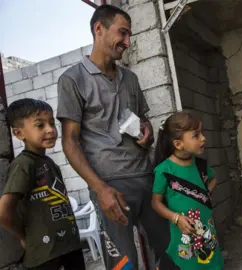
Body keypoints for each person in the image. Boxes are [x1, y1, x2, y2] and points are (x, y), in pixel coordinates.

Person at [56, 4, 167, 270]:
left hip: (146, 178)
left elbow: (143, 120)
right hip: (111, 186)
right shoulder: (72, 80)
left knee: (169, 252)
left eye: (130, 35)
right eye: (123, 33)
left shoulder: (130, 78)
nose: (128, 42)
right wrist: (100, 189)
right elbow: (70, 142)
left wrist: (147, 131)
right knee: (124, 264)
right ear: (99, 29)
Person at [0, 98, 84, 270]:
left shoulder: (49, 163)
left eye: (52, 124)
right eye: (40, 125)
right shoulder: (24, 164)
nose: (50, 130)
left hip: (69, 248)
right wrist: (24, 236)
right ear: (19, 133)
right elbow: (3, 212)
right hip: (46, 256)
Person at [151, 111, 225, 270]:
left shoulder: (201, 165)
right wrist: (176, 218)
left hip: (206, 227)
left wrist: (206, 193)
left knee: (212, 262)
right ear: (178, 144)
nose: (203, 138)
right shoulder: (164, 170)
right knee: (189, 262)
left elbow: (213, 179)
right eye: (196, 135)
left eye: (202, 133)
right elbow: (156, 203)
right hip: (183, 232)